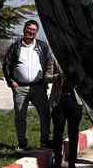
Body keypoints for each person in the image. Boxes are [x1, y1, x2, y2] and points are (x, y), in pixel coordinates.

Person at [3, 19, 56, 151]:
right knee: (20, 116)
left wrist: (47, 78)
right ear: (24, 30)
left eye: (33, 30)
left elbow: (50, 62)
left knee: (45, 114)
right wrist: (11, 82)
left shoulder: (42, 46)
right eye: (29, 29)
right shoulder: (15, 46)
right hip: (20, 87)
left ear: (36, 32)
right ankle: (22, 143)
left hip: (38, 87)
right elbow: (6, 65)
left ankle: (44, 141)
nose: (31, 32)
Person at [49, 68, 82, 168]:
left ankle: (72, 163)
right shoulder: (54, 58)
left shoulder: (77, 60)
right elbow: (46, 77)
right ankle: (57, 162)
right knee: (58, 133)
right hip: (59, 99)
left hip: (75, 100)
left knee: (73, 133)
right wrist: (58, 76)